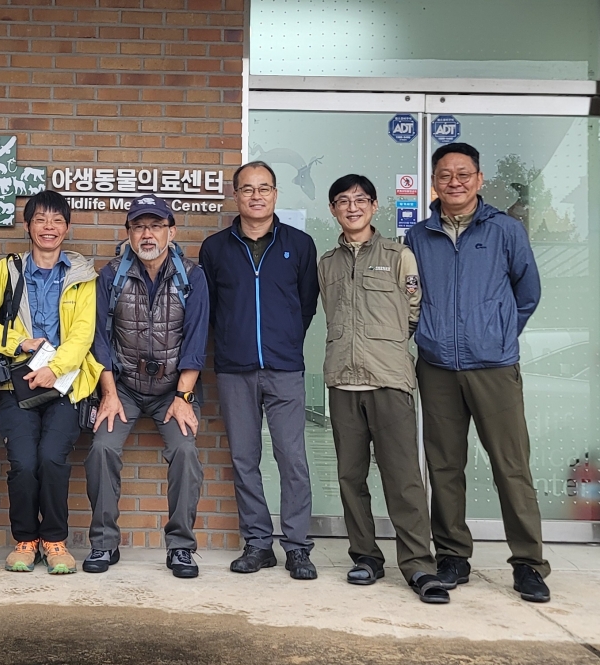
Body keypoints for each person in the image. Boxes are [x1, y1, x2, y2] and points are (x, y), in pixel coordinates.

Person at [405, 143, 549, 603]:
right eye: (445, 175)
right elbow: (410, 296)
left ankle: (528, 563)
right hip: (437, 366)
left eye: (463, 174)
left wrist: (499, 333)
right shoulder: (418, 237)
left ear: (480, 179)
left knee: (511, 465)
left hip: (494, 365)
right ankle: (452, 554)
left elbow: (527, 292)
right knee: (445, 465)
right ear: (434, 183)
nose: (455, 182)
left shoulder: (505, 230)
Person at [318, 174, 448, 604]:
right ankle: (366, 557)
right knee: (350, 476)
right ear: (334, 210)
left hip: (389, 380)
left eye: (359, 200)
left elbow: (413, 310)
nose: (351, 208)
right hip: (342, 381)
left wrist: (386, 346)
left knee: (403, 477)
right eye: (342, 201)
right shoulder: (327, 263)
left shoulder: (398, 255)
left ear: (374, 206)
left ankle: (418, 565)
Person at [0, 190, 102, 575]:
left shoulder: (82, 277)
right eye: (40, 219)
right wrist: (19, 342)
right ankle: (25, 539)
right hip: (18, 385)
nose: (49, 227)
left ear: (67, 227)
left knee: (52, 460)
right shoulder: (8, 270)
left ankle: (55, 540)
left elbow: (82, 334)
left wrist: (54, 369)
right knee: (23, 463)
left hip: (65, 385)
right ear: (28, 226)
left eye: (57, 221)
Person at [199, 161, 320, 580]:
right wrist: (235, 340)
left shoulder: (299, 244)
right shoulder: (215, 248)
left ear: (275, 194)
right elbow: (211, 309)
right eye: (247, 189)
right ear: (235, 195)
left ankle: (298, 547)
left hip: (284, 367)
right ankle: (257, 543)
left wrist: (284, 341)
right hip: (234, 369)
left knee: (291, 457)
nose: (256, 196)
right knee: (244, 458)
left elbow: (305, 304)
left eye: (264, 188)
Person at [85, 195, 209, 579]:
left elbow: (196, 338)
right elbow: (99, 339)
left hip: (174, 389)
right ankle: (104, 544)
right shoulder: (111, 275)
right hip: (123, 386)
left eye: (156, 226)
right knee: (102, 446)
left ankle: (181, 548)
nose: (147, 234)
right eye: (139, 226)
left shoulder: (192, 275)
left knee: (185, 451)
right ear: (128, 233)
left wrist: (185, 396)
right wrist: (107, 392)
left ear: (171, 231)